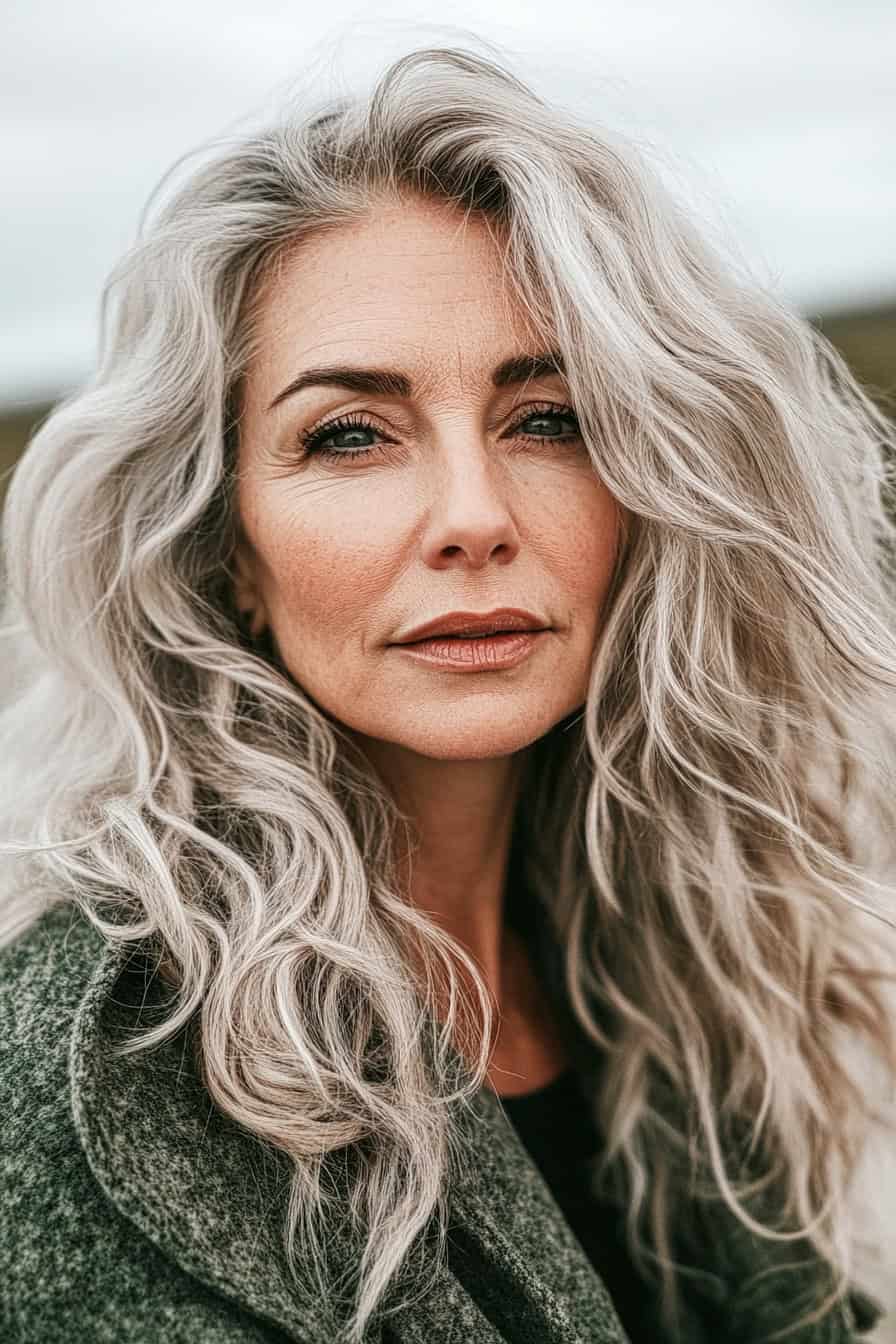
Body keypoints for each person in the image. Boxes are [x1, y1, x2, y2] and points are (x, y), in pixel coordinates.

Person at [1, 41, 894, 1344]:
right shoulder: (105, 1072)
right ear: (226, 549)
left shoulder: (655, 951)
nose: (473, 519)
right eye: (350, 434)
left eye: (548, 419)